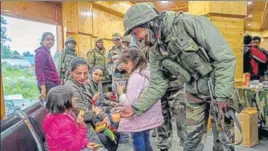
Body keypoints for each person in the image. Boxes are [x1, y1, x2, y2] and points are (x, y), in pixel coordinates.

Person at [120, 3, 239, 151]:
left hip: (219, 89)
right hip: (194, 93)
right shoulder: (156, 50)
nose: (137, 38)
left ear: (148, 23)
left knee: (224, 142)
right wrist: (136, 108)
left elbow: (225, 58)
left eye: (136, 33)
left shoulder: (189, 23)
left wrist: (222, 95)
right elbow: (157, 85)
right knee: (191, 143)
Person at [65, 57, 119, 151]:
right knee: (107, 141)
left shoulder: (82, 84)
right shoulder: (71, 88)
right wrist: (98, 114)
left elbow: (92, 106)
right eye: (78, 73)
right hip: (81, 129)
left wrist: (103, 116)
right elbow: (84, 114)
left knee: (115, 134)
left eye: (85, 73)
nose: (82, 76)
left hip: (91, 123)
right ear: (71, 72)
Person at [116, 48, 164, 151]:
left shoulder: (136, 77)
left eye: (125, 62)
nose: (123, 66)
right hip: (147, 117)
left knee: (139, 145)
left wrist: (120, 93)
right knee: (146, 142)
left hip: (138, 119)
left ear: (135, 61)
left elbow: (129, 104)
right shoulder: (147, 72)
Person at [42, 85, 98, 151]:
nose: (75, 98)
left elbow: (69, 138)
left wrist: (85, 143)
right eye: (72, 97)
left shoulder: (56, 115)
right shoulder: (63, 123)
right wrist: (82, 127)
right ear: (64, 102)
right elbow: (74, 147)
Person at [35, 32, 61, 99]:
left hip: (52, 84)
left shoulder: (47, 52)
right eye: (48, 39)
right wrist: (43, 90)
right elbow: (39, 71)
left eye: (52, 40)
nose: (50, 41)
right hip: (47, 85)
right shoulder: (41, 52)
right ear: (42, 41)